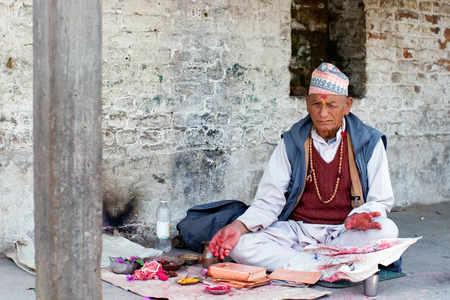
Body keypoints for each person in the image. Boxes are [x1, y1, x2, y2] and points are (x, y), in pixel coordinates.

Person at [209, 62, 399, 271]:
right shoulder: (292, 142)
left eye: (332, 105)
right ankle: (329, 265)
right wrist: (240, 226)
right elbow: (269, 200)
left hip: (344, 232)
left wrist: (364, 215)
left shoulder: (368, 142)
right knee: (241, 246)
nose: (323, 113)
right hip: (297, 232)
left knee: (387, 231)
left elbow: (380, 200)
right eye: (317, 104)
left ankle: (305, 264)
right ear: (307, 104)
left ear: (348, 106)